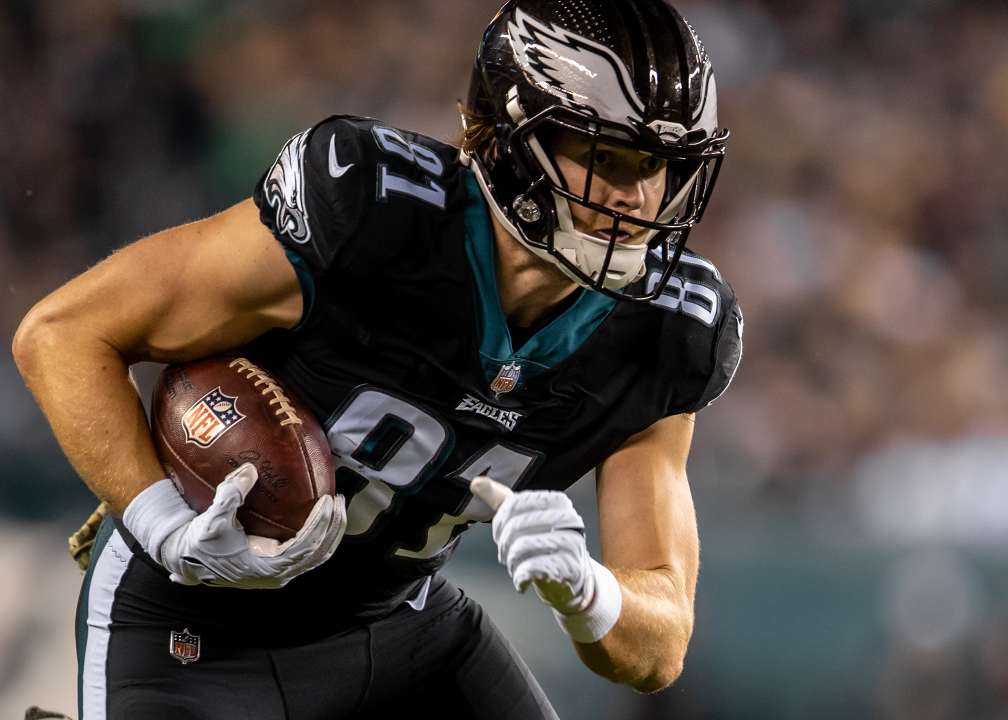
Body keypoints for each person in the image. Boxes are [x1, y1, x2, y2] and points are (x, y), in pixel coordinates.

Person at [11, 0, 740, 717]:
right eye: (605, 156)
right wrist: (164, 525)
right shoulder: (373, 212)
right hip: (192, 626)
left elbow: (660, 645)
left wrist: (587, 588)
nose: (638, 198)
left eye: (662, 166)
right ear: (513, 141)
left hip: (396, 627)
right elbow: (62, 334)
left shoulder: (666, 332)